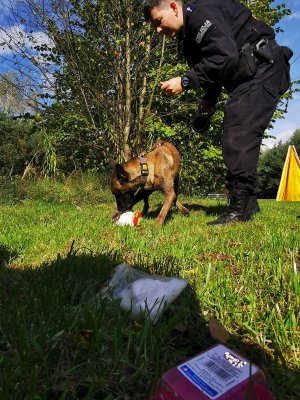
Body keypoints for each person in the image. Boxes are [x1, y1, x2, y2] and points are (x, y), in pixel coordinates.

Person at [142, 0, 292, 225]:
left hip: (264, 68)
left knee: (238, 132)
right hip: (250, 75)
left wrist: (185, 81)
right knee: (238, 128)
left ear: (173, 7)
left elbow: (226, 56)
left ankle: (240, 209)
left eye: (158, 21)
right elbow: (214, 69)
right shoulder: (187, 40)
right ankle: (248, 204)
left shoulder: (200, 13)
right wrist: (208, 103)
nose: (158, 30)